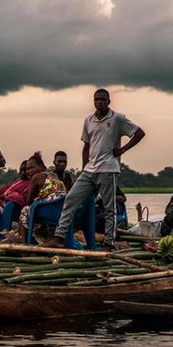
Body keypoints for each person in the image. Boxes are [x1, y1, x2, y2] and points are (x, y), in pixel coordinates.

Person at [53, 87, 144, 248]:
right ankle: (59, 237)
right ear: (93, 102)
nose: (99, 102)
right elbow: (86, 146)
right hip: (90, 169)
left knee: (110, 209)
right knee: (70, 200)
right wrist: (83, 168)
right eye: (97, 99)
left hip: (108, 169)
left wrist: (122, 149)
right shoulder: (89, 120)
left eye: (103, 99)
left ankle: (108, 242)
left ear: (109, 101)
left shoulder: (117, 119)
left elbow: (139, 133)